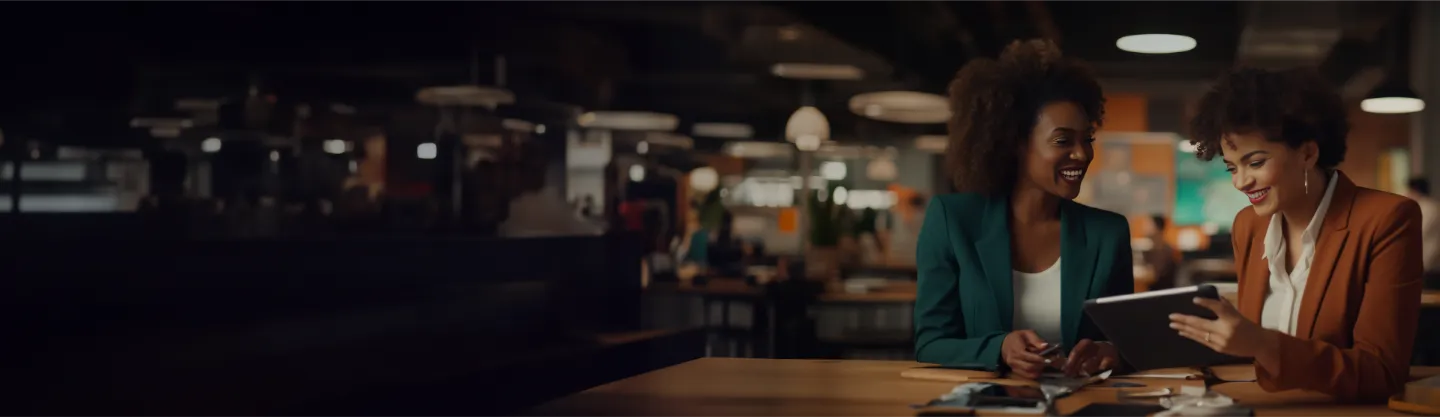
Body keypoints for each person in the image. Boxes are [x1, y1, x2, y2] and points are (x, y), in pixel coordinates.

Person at [1171, 67, 1423, 403]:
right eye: (1232, 167)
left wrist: (1261, 342)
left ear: (1307, 153)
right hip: (1266, 405)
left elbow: (1382, 373)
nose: (1240, 182)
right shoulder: (1248, 225)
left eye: (1255, 162)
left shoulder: (1386, 220)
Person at [913, 39, 1133, 380]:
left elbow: (1124, 344)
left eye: (1086, 139)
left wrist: (1111, 353)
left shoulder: (1108, 233)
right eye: (1062, 141)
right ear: (1015, 142)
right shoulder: (953, 220)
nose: (1082, 154)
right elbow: (931, 341)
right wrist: (999, 348)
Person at [1407, 178, 1440, 275]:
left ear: (1415, 190)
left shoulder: (1427, 208)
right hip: (1429, 260)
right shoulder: (1432, 206)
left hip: (1428, 261)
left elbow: (1417, 231)